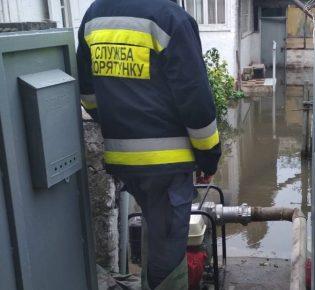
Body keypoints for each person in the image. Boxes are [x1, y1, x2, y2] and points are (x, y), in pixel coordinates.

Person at [76, 0, 222, 288]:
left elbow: (87, 91)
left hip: (123, 161)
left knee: (154, 231)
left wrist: (115, 124)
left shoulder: (94, 15)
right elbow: (195, 101)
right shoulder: (170, 19)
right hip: (166, 165)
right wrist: (208, 158)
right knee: (168, 251)